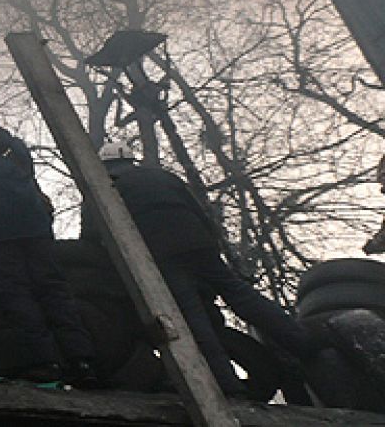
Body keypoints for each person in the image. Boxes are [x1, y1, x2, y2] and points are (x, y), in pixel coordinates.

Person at [98, 142, 312, 396]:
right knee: (241, 295)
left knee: (194, 322)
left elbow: (94, 231)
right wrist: (213, 245)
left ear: (105, 165)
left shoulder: (106, 185)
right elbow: (200, 213)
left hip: (162, 255)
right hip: (201, 246)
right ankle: (303, 341)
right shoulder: (163, 176)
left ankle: (228, 387)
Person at [0, 94, 97, 385]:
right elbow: (27, 178)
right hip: (36, 228)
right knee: (54, 289)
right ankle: (83, 361)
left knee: (16, 293)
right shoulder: (15, 146)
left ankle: (46, 362)